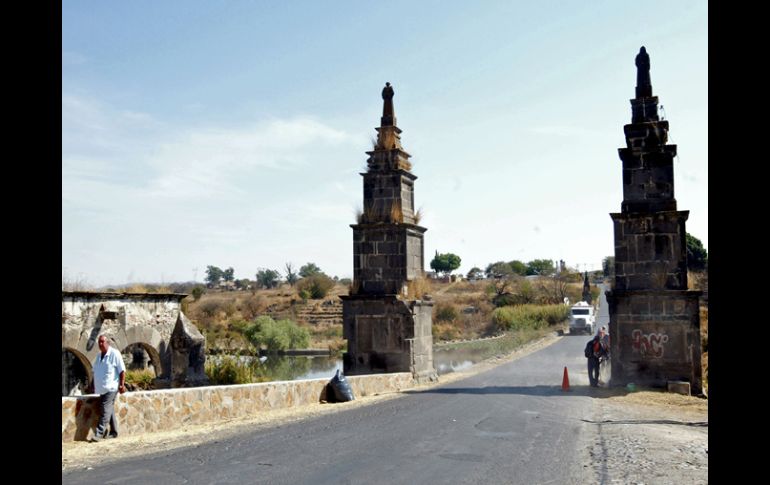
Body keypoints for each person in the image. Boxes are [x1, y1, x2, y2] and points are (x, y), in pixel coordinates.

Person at [90, 335, 126, 442]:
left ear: (108, 342)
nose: (100, 344)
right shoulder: (98, 356)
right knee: (108, 410)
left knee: (105, 410)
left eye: (102, 342)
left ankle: (99, 434)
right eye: (99, 342)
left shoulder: (114, 354)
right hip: (102, 389)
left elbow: (122, 370)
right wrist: (92, 385)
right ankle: (114, 432)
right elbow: (94, 372)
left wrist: (122, 384)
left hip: (111, 387)